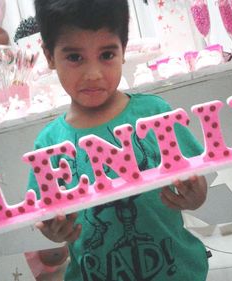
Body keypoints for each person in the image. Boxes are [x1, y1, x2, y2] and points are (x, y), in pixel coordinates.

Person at [27, 0, 210, 280]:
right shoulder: (48, 145)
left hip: (175, 271)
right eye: (75, 57)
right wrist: (54, 230)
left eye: (107, 54)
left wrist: (195, 196)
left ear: (123, 49)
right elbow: (46, 217)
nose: (93, 74)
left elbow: (196, 184)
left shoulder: (155, 116)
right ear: (50, 56)